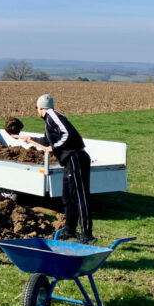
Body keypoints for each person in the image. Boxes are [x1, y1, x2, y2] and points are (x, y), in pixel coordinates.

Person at [21, 94, 95, 245]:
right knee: (67, 196)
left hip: (76, 158)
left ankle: (87, 234)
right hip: (69, 160)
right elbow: (47, 141)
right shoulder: (49, 121)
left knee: (79, 196)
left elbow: (66, 134)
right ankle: (69, 229)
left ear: (40, 108)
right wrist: (30, 139)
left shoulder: (52, 115)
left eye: (37, 108)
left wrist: (54, 147)